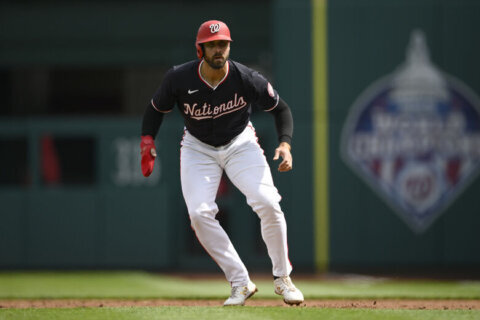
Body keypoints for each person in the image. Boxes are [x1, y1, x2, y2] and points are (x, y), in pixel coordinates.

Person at [140, 20, 304, 306]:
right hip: (198, 147)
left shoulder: (246, 77)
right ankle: (240, 282)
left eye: (223, 44)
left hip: (240, 143)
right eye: (212, 44)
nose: (219, 49)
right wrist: (147, 141)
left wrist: (285, 144)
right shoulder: (179, 78)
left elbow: (282, 109)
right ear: (200, 49)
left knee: (267, 202)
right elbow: (155, 110)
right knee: (199, 215)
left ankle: (283, 279)